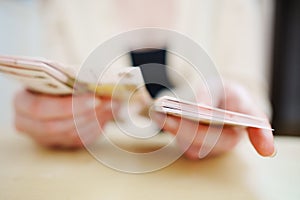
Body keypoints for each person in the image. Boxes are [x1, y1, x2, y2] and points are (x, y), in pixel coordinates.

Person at [13, 0, 275, 159]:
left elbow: (252, 98)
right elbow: (56, 85)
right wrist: (45, 113)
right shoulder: (65, 6)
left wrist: (236, 109)